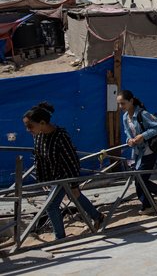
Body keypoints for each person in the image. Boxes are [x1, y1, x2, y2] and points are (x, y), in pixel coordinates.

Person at [23, 102, 104, 239]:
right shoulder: (38, 136)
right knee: (76, 195)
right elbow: (39, 158)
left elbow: (71, 160)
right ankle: (97, 216)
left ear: (42, 123)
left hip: (65, 176)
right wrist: (43, 180)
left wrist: (73, 183)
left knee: (51, 206)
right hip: (54, 177)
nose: (28, 129)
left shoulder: (60, 136)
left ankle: (60, 237)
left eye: (30, 126)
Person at [117, 90, 157, 215]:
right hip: (137, 153)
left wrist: (143, 136)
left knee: (140, 179)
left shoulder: (142, 114)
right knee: (139, 179)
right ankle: (151, 202)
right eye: (119, 104)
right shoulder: (125, 117)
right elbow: (127, 132)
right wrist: (129, 140)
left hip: (148, 151)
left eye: (123, 103)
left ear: (131, 101)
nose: (121, 107)